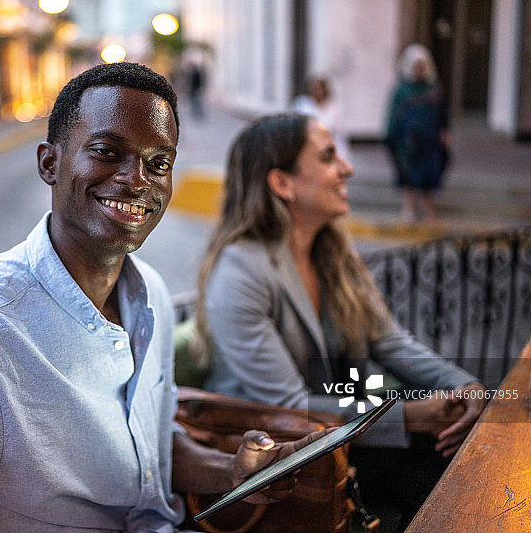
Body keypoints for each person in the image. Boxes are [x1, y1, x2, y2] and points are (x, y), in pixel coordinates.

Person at [0, 63, 327, 532]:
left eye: (159, 163)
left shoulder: (150, 294)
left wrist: (231, 473)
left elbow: (145, 452)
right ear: (50, 163)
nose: (137, 179)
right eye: (107, 152)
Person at [194, 113, 486, 528]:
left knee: (467, 459)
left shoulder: (331, 247)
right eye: (329, 157)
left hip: (343, 438)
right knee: (446, 485)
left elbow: (389, 341)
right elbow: (289, 406)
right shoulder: (240, 272)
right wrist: (413, 414)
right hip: (278, 465)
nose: (347, 168)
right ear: (282, 184)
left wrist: (462, 384)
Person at [385, 44, 449, 222]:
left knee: (428, 174)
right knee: (407, 173)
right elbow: (393, 116)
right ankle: (408, 207)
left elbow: (443, 113)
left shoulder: (434, 88)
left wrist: (444, 131)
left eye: (422, 65)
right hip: (407, 141)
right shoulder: (402, 90)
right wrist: (391, 136)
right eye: (416, 66)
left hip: (430, 139)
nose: (419, 69)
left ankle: (427, 206)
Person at [291, 74, 349, 160]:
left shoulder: (334, 108)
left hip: (328, 149)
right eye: (315, 88)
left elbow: (339, 135)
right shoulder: (302, 105)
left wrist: (342, 155)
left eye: (320, 89)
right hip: (307, 148)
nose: (318, 92)